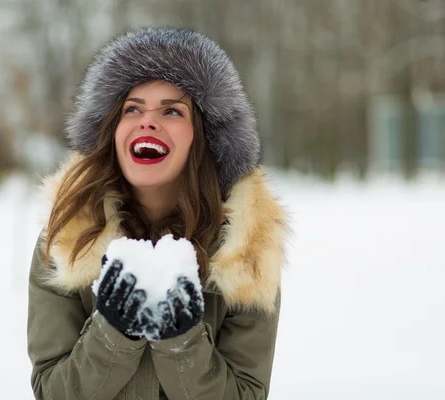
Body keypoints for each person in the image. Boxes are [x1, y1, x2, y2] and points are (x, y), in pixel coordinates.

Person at [27, 27, 289, 400]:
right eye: (132, 108)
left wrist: (181, 342)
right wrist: (112, 335)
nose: (147, 121)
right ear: (112, 130)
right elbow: (51, 392)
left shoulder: (244, 252)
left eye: (171, 110)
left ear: (204, 136)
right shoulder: (67, 239)